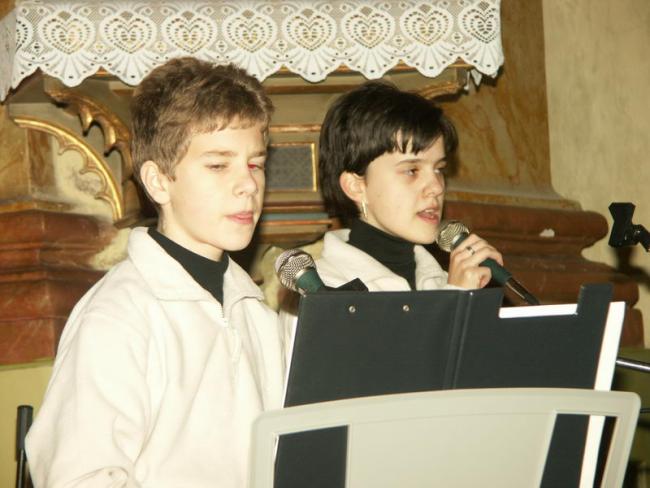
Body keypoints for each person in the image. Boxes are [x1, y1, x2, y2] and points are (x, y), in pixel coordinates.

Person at [25, 57, 285, 487]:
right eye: (219, 165)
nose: (249, 184)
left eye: (255, 163)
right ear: (159, 181)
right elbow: (80, 477)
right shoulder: (119, 315)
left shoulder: (255, 310)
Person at [279, 80, 503, 339]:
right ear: (356, 186)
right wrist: (456, 300)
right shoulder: (318, 291)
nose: (436, 187)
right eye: (412, 170)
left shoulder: (444, 281)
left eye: (439, 169)